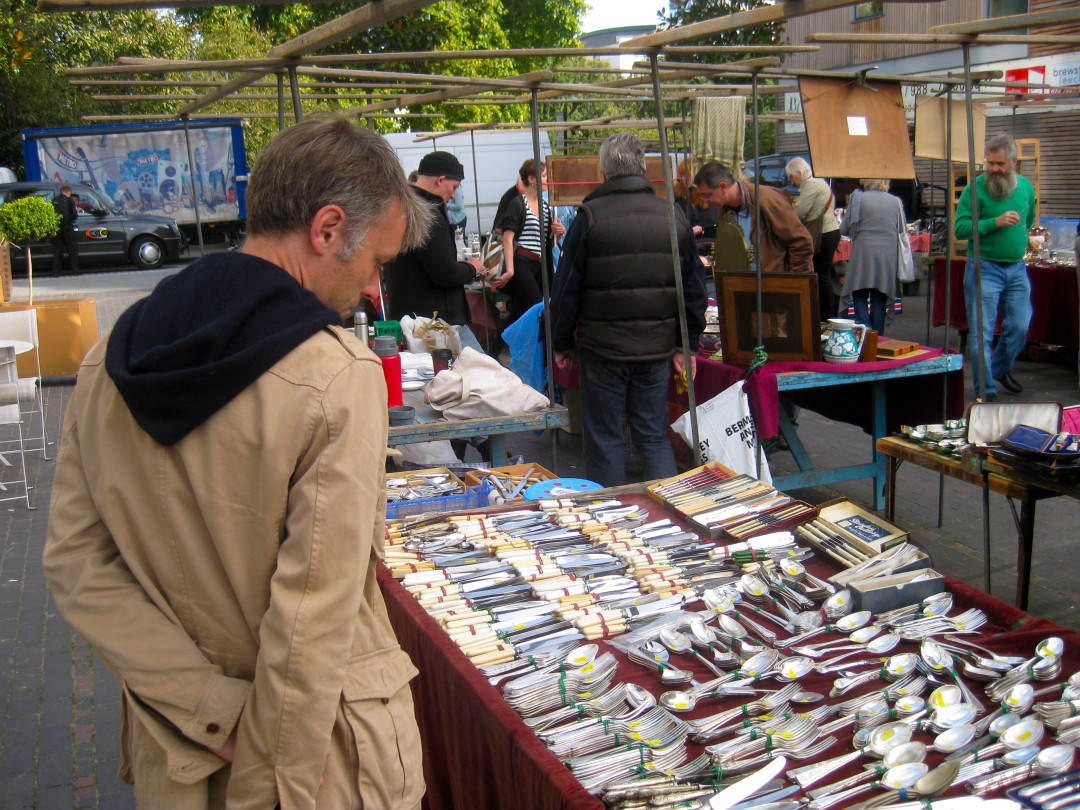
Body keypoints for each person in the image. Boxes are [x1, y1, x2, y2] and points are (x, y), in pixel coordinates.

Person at [43, 115, 432, 809]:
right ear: (328, 229)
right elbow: (312, 620)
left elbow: (77, 564)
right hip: (316, 769)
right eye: (377, 262)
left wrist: (204, 705)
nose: (374, 288)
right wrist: (264, 783)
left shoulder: (108, 359)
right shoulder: (335, 377)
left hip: (182, 756)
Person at [551, 133, 707, 488]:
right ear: (642, 169)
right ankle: (665, 512)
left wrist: (562, 343)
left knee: (605, 439)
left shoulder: (589, 216)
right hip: (654, 349)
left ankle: (611, 515)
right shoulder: (673, 215)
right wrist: (687, 345)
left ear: (603, 172)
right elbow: (694, 289)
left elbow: (566, 289)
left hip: (603, 350)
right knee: (652, 435)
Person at [955, 133, 1036, 401]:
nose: (993, 169)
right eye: (989, 163)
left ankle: (999, 369)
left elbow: (1029, 219)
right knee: (982, 333)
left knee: (1020, 327)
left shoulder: (1025, 187)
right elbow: (960, 229)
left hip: (1016, 267)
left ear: (1013, 162)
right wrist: (994, 222)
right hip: (984, 266)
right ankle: (985, 390)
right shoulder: (975, 189)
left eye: (999, 163)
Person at [383, 150, 486, 353]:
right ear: (440, 180)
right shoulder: (427, 213)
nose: (453, 195)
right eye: (454, 187)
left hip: (415, 318)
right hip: (437, 323)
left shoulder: (402, 207)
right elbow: (445, 273)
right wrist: (472, 268)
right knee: (485, 370)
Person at [694, 162, 813, 274]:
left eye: (707, 194)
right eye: (702, 195)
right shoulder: (724, 209)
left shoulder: (766, 200)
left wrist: (794, 280)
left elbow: (801, 242)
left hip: (773, 281)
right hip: (744, 282)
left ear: (723, 187)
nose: (705, 200)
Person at [492, 159, 565, 326]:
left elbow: (547, 242)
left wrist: (559, 233)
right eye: (544, 176)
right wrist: (510, 270)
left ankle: (500, 342)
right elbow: (508, 239)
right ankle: (545, 342)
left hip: (539, 265)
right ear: (532, 179)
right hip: (522, 262)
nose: (547, 180)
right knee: (539, 308)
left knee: (520, 311)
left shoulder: (545, 206)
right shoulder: (517, 204)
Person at [840, 178, 912, 335]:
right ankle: (877, 337)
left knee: (859, 291)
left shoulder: (857, 199)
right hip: (887, 256)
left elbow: (844, 229)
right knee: (879, 297)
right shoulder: (896, 201)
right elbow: (902, 229)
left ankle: (864, 330)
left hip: (863, 253)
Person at [786, 157, 841, 318]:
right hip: (830, 232)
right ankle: (826, 313)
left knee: (821, 275)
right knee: (823, 275)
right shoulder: (820, 183)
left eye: (791, 176)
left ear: (799, 172)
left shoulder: (811, 185)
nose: (791, 181)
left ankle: (825, 315)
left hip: (822, 234)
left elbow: (800, 212)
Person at [674, 159, 718, 256]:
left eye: (687, 175)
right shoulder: (677, 196)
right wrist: (690, 230)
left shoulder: (709, 195)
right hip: (689, 246)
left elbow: (713, 220)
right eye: (682, 175)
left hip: (710, 244)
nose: (684, 178)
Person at [51, 184, 80, 276]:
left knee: (57, 250)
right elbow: (74, 216)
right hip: (67, 228)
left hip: (57, 229)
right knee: (72, 250)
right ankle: (75, 271)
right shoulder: (69, 201)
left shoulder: (54, 200)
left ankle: (56, 272)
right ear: (69, 192)